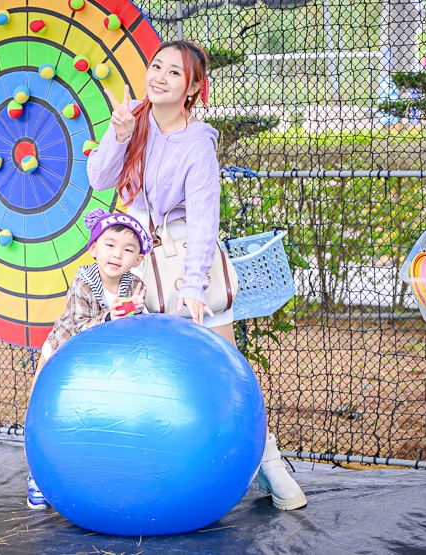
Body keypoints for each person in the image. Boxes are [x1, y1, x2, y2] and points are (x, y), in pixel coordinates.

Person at [86, 39, 307, 511]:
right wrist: (118, 134)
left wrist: (193, 287)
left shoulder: (199, 141)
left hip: (188, 261)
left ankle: (270, 465)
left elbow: (205, 219)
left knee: (227, 370)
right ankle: (153, 475)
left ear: (192, 89)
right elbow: (99, 179)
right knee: (149, 371)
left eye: (174, 73)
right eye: (156, 66)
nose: (159, 77)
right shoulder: (135, 122)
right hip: (136, 260)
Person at [26, 208, 151, 509]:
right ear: (94, 248)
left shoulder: (133, 285)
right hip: (63, 351)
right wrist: (114, 314)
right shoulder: (83, 281)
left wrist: (138, 312)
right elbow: (80, 326)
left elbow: (140, 327)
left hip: (105, 362)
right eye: (109, 245)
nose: (117, 254)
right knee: (39, 408)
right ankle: (36, 473)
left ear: (138, 259)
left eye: (128, 249)